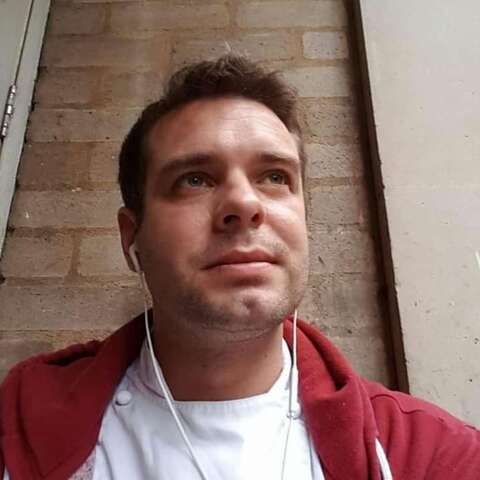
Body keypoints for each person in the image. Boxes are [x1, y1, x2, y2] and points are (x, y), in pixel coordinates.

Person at [0, 55, 479, 480]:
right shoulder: (16, 427)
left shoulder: (434, 455)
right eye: (194, 179)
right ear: (132, 239)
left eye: (274, 176)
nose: (245, 204)